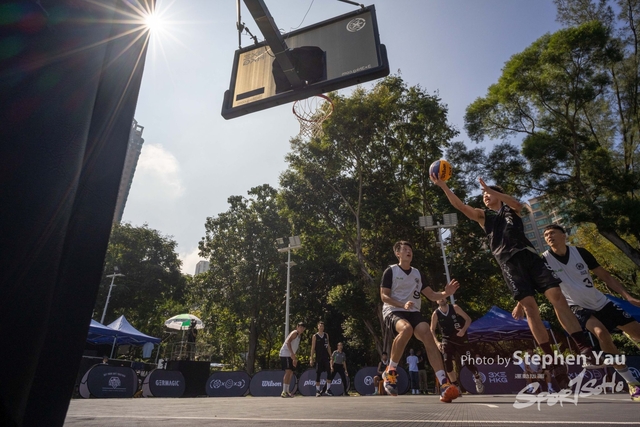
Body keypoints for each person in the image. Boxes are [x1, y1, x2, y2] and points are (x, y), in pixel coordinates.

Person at [430, 175, 598, 388]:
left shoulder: (511, 209)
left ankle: (584, 348)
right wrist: (443, 185)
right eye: (483, 195)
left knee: (557, 296)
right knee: (530, 308)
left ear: (497, 194)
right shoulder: (484, 216)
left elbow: (517, 204)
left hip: (530, 257)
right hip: (509, 263)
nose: (484, 197)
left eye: (487, 194)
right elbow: (461, 207)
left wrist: (492, 190)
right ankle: (552, 361)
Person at [515, 224, 640, 401]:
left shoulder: (580, 253)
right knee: (601, 333)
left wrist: (627, 296)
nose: (549, 236)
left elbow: (605, 276)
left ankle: (629, 336)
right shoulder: (544, 260)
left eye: (552, 233)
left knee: (637, 333)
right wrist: (520, 305)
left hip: (600, 301)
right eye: (546, 235)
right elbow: (530, 284)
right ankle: (632, 383)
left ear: (564, 235)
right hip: (575, 307)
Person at [380, 240, 461, 402]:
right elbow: (384, 296)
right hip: (394, 310)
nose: (408, 251)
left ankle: (444, 383)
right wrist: (401, 304)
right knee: (406, 329)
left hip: (413, 311)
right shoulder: (391, 271)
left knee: (427, 334)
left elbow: (431, 295)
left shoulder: (417, 274)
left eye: (410, 249)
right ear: (398, 253)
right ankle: (390, 371)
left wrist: (446, 293)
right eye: (404, 249)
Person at [430, 298, 484, 394]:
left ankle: (477, 377)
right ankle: (455, 386)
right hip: (447, 340)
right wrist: (437, 342)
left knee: (468, 362)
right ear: (436, 301)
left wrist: (463, 330)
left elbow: (468, 319)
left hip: (460, 338)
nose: (441, 299)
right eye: (439, 298)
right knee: (447, 362)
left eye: (443, 297)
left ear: (446, 299)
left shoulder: (454, 308)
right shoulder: (436, 313)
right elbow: (432, 329)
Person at [279, 322, 306, 398]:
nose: (301, 329)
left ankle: (287, 391)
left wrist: (294, 358)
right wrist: (291, 353)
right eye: (300, 327)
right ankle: (284, 391)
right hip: (285, 354)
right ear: (297, 327)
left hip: (291, 355)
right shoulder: (295, 333)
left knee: (291, 372)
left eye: (303, 328)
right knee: (288, 371)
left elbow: (294, 348)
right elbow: (288, 342)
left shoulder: (299, 336)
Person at [309, 321, 332, 397]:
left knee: (329, 372)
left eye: (322, 326)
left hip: (325, 357)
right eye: (320, 326)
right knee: (318, 374)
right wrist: (311, 358)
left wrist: (331, 356)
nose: (321, 327)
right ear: (318, 327)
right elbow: (313, 348)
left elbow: (328, 346)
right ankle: (317, 391)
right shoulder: (315, 336)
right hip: (319, 357)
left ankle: (328, 390)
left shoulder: (326, 335)